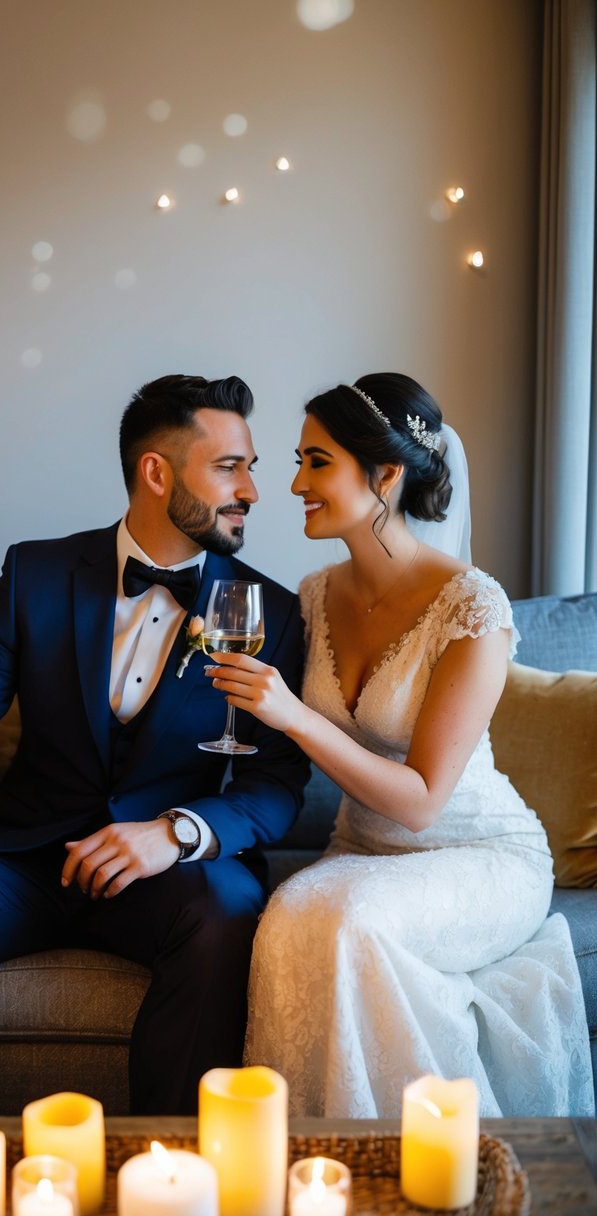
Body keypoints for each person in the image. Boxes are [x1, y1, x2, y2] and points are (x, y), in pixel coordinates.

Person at [0, 373, 309, 1117]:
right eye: (230, 467)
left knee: (225, 914)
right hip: (26, 858)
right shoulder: (36, 573)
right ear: (156, 473)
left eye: (248, 467)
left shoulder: (271, 611)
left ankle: (169, 1172)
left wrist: (179, 832)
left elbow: (280, 782)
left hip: (165, 873)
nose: (252, 489)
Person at [205, 372, 594, 1118]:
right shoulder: (314, 595)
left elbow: (420, 803)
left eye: (316, 462)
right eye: (297, 460)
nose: (292, 484)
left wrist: (295, 715)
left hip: (478, 853)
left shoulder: (473, 607)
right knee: (287, 915)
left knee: (351, 921)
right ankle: (311, 1163)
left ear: (384, 474)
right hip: (361, 850)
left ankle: (421, 1162)